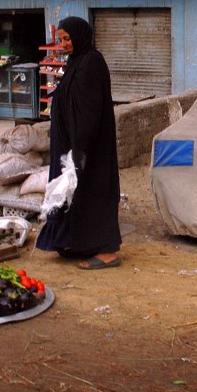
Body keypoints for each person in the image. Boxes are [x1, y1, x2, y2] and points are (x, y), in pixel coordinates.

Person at [35, 17, 122, 270]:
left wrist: (79, 150)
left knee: (93, 195)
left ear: (80, 36)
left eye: (67, 39)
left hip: (88, 148)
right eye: (60, 39)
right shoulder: (75, 63)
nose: (63, 44)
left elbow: (90, 110)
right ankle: (75, 242)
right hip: (70, 146)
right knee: (72, 196)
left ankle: (108, 252)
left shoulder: (92, 63)